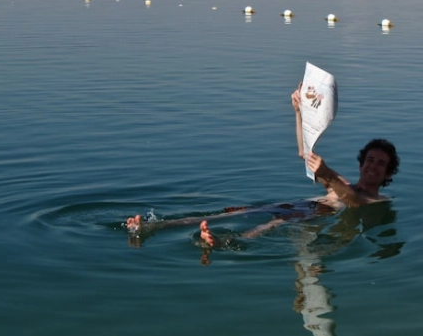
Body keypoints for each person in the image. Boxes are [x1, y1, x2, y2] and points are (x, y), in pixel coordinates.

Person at [126, 83, 400, 249]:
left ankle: (225, 244)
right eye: (370, 160)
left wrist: (327, 174)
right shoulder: (342, 182)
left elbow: (354, 204)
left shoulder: (379, 200)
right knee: (225, 214)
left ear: (388, 173)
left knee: (273, 224)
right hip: (294, 203)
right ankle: (155, 227)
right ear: (362, 163)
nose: (373, 166)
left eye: (381, 164)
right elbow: (304, 152)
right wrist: (298, 112)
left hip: (313, 214)